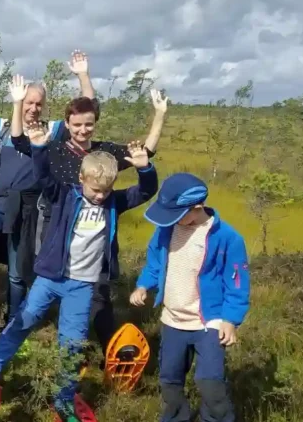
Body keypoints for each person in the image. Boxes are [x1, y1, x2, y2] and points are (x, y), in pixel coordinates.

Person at [0, 127, 158, 422]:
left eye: (106, 190)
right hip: (50, 278)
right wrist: (39, 148)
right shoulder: (65, 196)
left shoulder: (114, 202)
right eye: (95, 190)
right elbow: (44, 179)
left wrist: (146, 169)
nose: (101, 196)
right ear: (82, 179)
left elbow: (144, 191)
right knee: (21, 322)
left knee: (72, 343)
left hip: (82, 285)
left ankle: (63, 397)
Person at [10, 80, 169, 356]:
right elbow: (19, 142)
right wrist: (18, 105)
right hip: (57, 224)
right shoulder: (57, 149)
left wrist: (159, 115)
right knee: (46, 284)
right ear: (67, 124)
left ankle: (106, 351)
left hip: (97, 227)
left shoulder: (103, 154)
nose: (83, 130)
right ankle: (39, 334)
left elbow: (144, 154)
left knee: (98, 294)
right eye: (77, 125)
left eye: (89, 124)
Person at [0, 51, 94, 322]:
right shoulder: (3, 127)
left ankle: (13, 323)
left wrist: (82, 75)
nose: (33, 108)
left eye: (38, 104)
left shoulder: (53, 131)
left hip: (30, 212)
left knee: (17, 273)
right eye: (28, 103)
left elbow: (88, 110)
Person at [130, 173, 249, 422]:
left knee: (210, 384)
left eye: (176, 215)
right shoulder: (166, 230)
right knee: (170, 381)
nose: (170, 220)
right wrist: (143, 285)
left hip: (209, 324)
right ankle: (176, 418)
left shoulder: (227, 238)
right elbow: (155, 262)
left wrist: (231, 319)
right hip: (172, 321)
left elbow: (237, 284)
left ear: (197, 208)